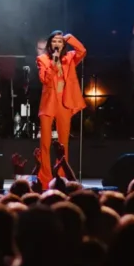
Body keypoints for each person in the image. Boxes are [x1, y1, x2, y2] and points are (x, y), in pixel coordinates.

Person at [36, 30, 87, 190]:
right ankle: (45, 178)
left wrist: (69, 37)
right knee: (45, 143)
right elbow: (45, 79)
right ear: (49, 44)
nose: (56, 44)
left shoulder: (70, 57)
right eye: (54, 41)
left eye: (59, 41)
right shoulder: (43, 59)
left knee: (63, 143)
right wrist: (54, 62)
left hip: (64, 102)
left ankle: (61, 177)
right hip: (49, 103)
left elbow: (82, 51)